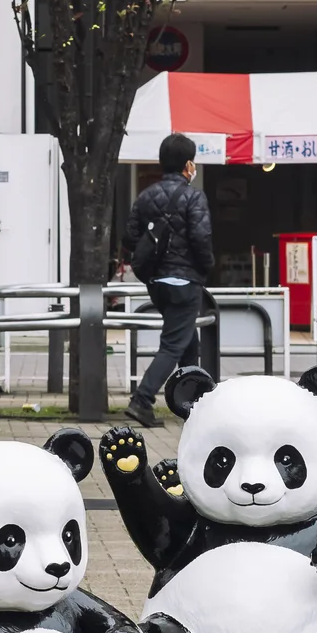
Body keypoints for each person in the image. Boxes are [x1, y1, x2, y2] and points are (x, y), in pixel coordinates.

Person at [121, 132, 214, 428]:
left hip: (157, 283)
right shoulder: (194, 196)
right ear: (188, 165)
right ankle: (142, 400)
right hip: (185, 283)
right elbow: (201, 238)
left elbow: (130, 237)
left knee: (188, 340)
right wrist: (206, 267)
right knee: (173, 344)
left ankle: (194, 401)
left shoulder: (146, 195)